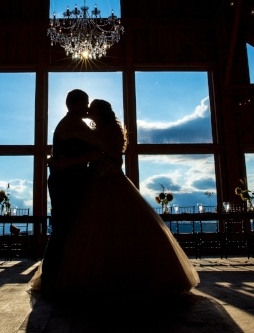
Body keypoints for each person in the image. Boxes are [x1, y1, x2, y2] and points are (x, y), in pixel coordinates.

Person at [32, 98, 199, 298]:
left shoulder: (110, 130)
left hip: (111, 182)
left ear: (100, 112)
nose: (87, 111)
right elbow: (84, 147)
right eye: (86, 106)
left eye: (91, 108)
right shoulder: (90, 130)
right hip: (93, 183)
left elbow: (99, 153)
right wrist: (58, 157)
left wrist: (70, 161)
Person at [31, 89, 97, 295]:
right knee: (62, 228)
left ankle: (59, 276)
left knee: (65, 227)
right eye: (85, 103)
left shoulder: (72, 123)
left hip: (67, 180)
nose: (87, 107)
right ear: (75, 104)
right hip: (66, 182)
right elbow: (98, 146)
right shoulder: (73, 124)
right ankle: (51, 278)